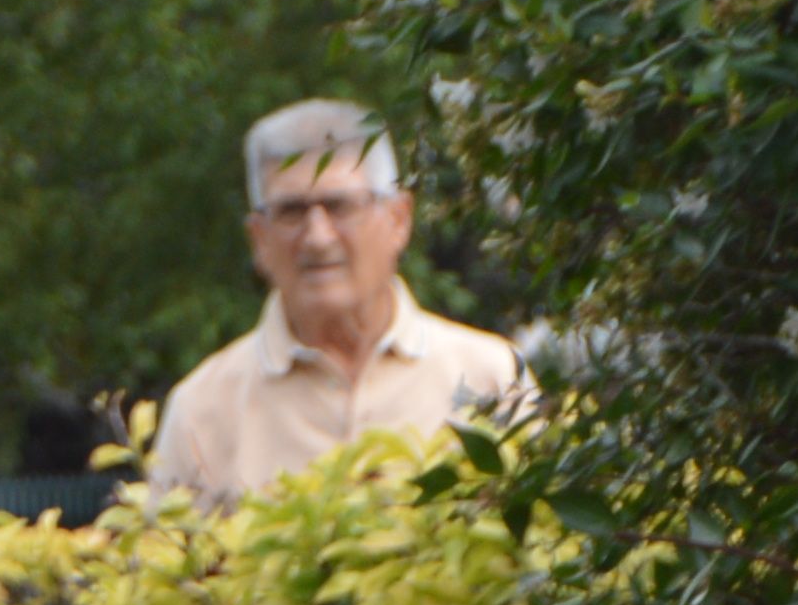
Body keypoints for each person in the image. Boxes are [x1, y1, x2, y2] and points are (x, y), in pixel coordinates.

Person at [146, 99, 528, 507]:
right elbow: (164, 565)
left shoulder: (492, 377)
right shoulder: (203, 411)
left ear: (399, 220)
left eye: (340, 206)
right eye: (291, 212)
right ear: (259, 238)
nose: (318, 237)